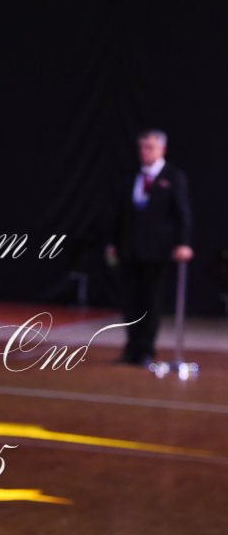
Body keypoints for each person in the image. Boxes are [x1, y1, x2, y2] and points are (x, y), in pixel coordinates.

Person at [106, 129, 194, 366]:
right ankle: (131, 348)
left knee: (151, 301)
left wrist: (183, 243)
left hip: (157, 252)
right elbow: (120, 214)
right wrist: (113, 242)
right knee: (130, 301)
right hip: (130, 249)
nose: (144, 152)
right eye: (142, 148)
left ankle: (146, 348)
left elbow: (182, 213)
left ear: (162, 150)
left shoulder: (173, 177)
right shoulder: (131, 177)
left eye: (150, 147)